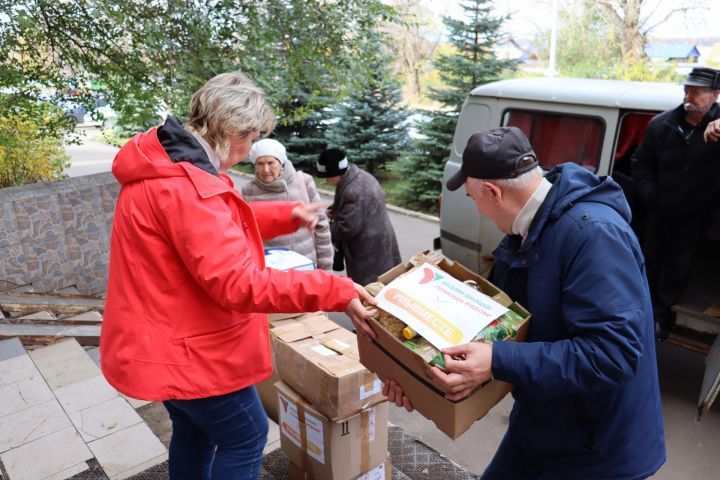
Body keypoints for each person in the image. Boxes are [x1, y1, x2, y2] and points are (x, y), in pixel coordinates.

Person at [100, 71, 376, 480]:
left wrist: (286, 214)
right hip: (188, 351)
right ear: (229, 131)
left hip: (161, 340)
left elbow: (211, 231)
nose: (249, 153)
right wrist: (333, 288)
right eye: (250, 139)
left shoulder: (169, 164)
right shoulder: (187, 187)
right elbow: (239, 282)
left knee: (195, 432)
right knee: (246, 437)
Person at [369, 127, 665, 480]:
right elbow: (501, 324)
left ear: (492, 191)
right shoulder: (529, 227)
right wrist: (416, 374)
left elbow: (614, 353)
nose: (476, 208)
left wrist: (497, 360)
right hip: (542, 421)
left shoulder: (593, 235)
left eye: (472, 197)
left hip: (595, 449)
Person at [631, 66, 720, 341]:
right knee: (650, 259)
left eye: (697, 91)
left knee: (679, 265)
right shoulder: (663, 124)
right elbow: (640, 164)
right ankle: (642, 311)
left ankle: (661, 312)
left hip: (696, 214)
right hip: (661, 209)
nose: (689, 95)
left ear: (715, 96)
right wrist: (652, 196)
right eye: (687, 89)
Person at [241, 138, 333, 270]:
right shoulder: (248, 190)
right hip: (271, 268)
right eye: (260, 164)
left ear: (281, 162)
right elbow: (248, 232)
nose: (266, 169)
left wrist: (325, 266)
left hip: (306, 263)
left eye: (271, 163)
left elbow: (321, 225)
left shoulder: (303, 182)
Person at [316, 148, 401, 285]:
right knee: (385, 284)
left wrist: (323, 227)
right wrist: (334, 210)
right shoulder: (360, 176)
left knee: (371, 290)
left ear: (335, 173)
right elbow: (353, 206)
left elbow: (347, 229)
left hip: (367, 253)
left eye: (327, 177)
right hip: (381, 244)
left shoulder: (352, 190)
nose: (326, 180)